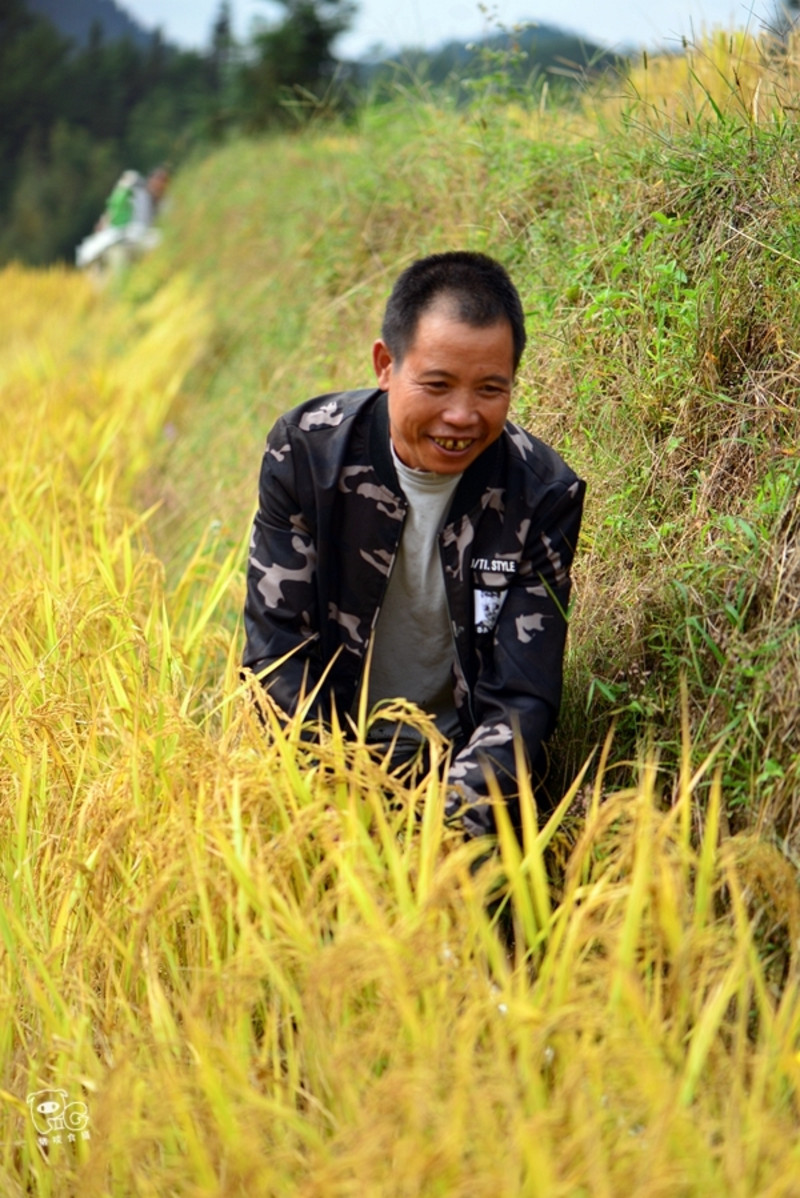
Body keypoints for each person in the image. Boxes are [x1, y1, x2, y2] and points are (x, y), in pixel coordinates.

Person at [243, 251, 585, 839]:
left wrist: (442, 836)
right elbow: (278, 659)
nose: (461, 415)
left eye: (490, 389)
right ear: (385, 363)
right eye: (437, 384)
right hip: (322, 763)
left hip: (460, 772)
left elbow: (520, 702)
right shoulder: (306, 454)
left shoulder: (540, 494)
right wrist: (333, 812)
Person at [75, 166, 170, 274]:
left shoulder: (163, 204)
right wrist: (107, 218)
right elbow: (120, 195)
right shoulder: (137, 192)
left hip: (133, 241)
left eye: (163, 182)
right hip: (121, 240)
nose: (159, 185)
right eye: (158, 180)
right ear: (150, 179)